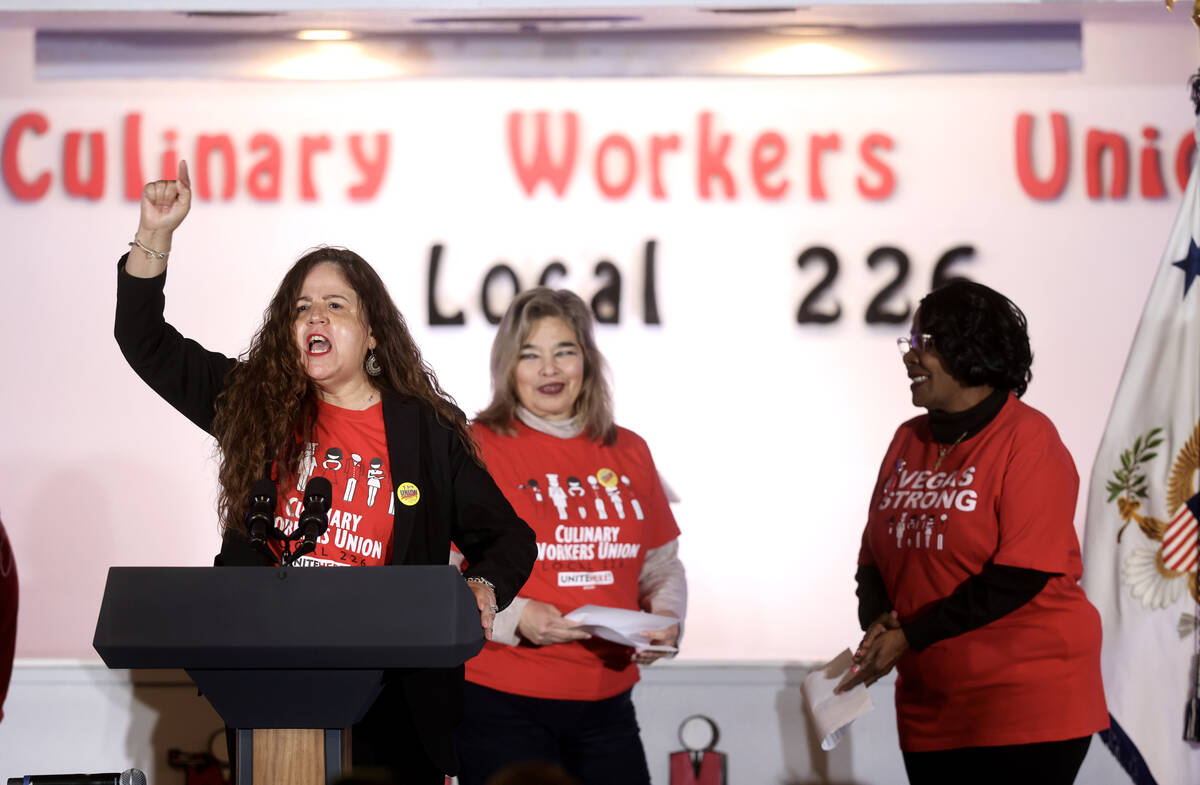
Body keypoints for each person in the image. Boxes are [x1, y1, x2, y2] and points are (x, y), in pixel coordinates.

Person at [114, 161, 536, 784]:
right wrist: (156, 231)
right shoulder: (254, 404)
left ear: (370, 334)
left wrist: (484, 588)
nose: (314, 317)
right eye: (301, 308)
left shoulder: (427, 430)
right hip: (274, 680)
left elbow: (508, 538)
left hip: (393, 692)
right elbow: (143, 338)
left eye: (335, 305)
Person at [837, 279, 1108, 785]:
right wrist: (878, 623)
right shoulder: (907, 438)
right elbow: (873, 555)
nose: (909, 358)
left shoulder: (1029, 439)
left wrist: (910, 636)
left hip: (1026, 703)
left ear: (971, 353)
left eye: (926, 345)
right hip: (931, 705)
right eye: (910, 344)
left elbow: (1018, 576)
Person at [453, 288, 686, 785]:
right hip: (501, 700)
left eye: (564, 351)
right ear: (507, 367)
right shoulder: (476, 446)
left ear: (588, 359)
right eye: (530, 355)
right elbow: (443, 568)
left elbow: (662, 564)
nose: (549, 370)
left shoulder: (630, 450)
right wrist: (517, 616)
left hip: (608, 701)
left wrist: (667, 619)